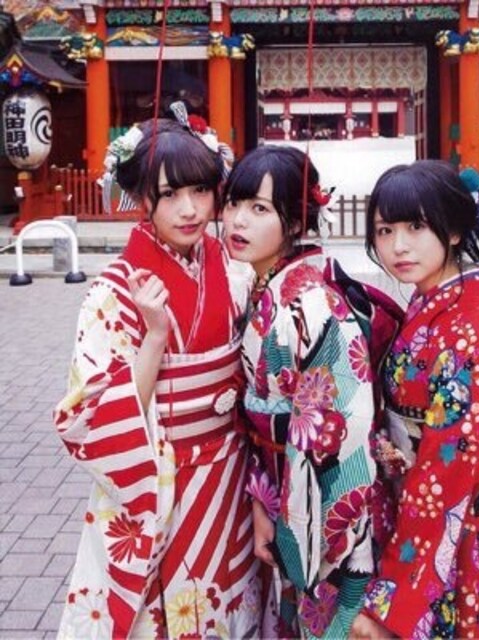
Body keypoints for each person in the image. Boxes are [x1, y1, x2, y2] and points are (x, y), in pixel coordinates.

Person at [54, 106, 261, 639]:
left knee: (231, 596)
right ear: (142, 198)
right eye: (169, 194)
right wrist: (153, 335)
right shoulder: (112, 293)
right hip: (162, 478)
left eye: (200, 190)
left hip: (230, 472)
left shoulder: (234, 270)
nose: (189, 209)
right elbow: (92, 418)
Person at [349, 160, 479, 639]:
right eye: (385, 230)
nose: (398, 245)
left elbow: (444, 476)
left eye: (416, 226)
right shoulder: (429, 304)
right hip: (429, 530)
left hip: (466, 541)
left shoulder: (472, 331)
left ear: (453, 230)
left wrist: (393, 605)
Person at [220, 145, 387, 638]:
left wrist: (303, 534)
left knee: (330, 622)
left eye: (259, 208)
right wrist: (264, 501)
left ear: (294, 223)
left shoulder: (311, 303)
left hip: (325, 512)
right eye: (233, 204)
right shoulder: (267, 288)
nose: (237, 220)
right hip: (287, 492)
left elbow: (340, 428)